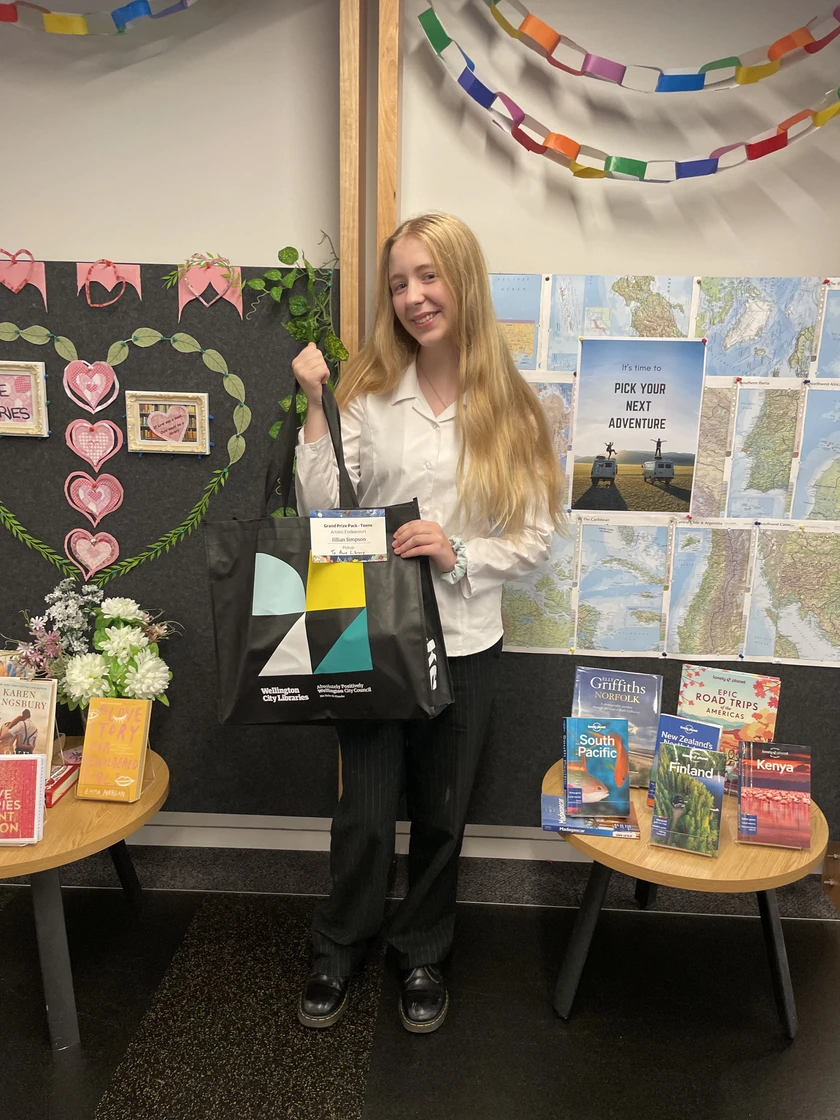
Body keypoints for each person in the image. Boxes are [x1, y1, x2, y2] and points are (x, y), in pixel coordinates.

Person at [291, 212, 565, 1034]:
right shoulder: (371, 396)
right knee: (366, 815)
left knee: (444, 814)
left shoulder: (516, 407)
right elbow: (322, 509)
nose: (413, 296)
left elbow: (540, 539)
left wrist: (461, 555)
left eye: (428, 276)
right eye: (399, 282)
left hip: (470, 640)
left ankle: (423, 953)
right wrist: (316, 408)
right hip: (375, 640)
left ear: (464, 280)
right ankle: (340, 946)